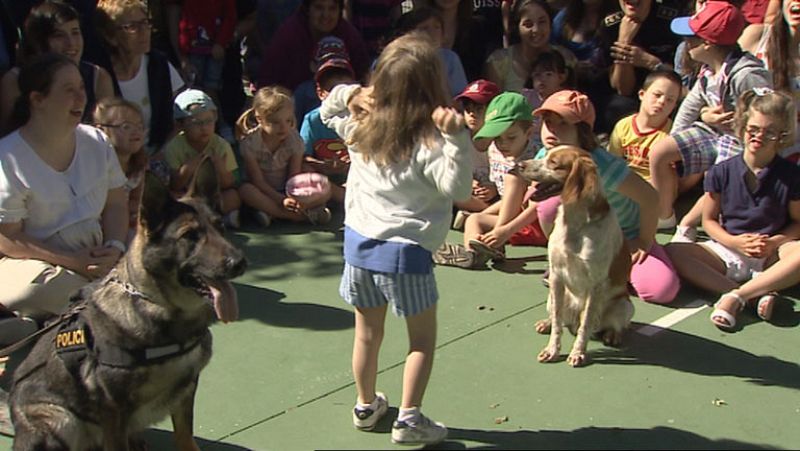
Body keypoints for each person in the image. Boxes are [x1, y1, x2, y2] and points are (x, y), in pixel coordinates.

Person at [319, 32, 473, 446]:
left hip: (358, 248)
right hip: (406, 256)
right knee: (421, 341)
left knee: (366, 334)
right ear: (433, 85)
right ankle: (409, 419)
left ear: (379, 81)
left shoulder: (360, 125)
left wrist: (351, 94)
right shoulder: (431, 141)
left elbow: (327, 107)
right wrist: (458, 140)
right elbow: (458, 189)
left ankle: (365, 405)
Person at [487, 90, 680, 303]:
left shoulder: (603, 165)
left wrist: (644, 241)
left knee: (662, 290)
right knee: (548, 205)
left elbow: (650, 198)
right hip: (584, 238)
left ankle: (614, 272)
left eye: (563, 123)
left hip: (624, 237)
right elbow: (537, 203)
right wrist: (505, 230)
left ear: (582, 129)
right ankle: (566, 263)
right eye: (548, 122)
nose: (552, 130)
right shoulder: (545, 156)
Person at [0, 53, 128, 345]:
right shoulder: (7, 157)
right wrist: (73, 261)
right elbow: (8, 239)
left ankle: (47, 322)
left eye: (82, 88)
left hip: (98, 255)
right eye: (68, 90)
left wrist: (115, 246)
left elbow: (116, 204)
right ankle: (103, 309)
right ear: (37, 99)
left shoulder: (97, 141)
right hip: (39, 264)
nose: (80, 97)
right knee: (31, 289)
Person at [665, 89, 800, 330]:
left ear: (782, 136)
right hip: (728, 248)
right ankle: (750, 295)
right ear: (743, 126)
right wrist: (734, 242)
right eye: (753, 129)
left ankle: (737, 297)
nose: (758, 137)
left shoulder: (792, 175)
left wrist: (773, 242)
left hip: (771, 254)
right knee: (674, 251)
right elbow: (708, 220)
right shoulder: (721, 171)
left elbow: (798, 223)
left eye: (769, 132)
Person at [649, 1, 773, 232]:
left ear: (707, 43)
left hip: (742, 141)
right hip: (713, 132)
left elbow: (765, 115)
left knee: (718, 175)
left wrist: (732, 121)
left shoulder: (746, 74)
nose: (685, 42)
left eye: (691, 37)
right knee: (659, 151)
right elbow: (691, 106)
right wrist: (681, 135)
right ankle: (664, 216)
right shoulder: (708, 69)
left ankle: (690, 224)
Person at [434, 92, 541, 268]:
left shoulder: (537, 157)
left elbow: (536, 206)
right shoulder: (494, 151)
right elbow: (508, 200)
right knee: (474, 220)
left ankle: (496, 243)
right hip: (510, 221)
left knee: (514, 178)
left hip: (531, 222)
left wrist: (502, 231)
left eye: (511, 137)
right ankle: (473, 254)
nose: (503, 144)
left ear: (528, 132)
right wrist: (486, 213)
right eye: (497, 137)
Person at [0, 1, 114, 132]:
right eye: (59, 35)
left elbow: (107, 133)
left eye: (75, 33)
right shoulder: (15, 81)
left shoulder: (98, 78)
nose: (71, 43)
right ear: (38, 42)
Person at [95, 0, 185, 152]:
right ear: (111, 37)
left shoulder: (159, 64)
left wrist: (158, 156)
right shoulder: (101, 74)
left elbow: (181, 118)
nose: (143, 31)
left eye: (145, 23)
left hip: (159, 153)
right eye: (132, 27)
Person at [238, 86, 332, 226]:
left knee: (321, 184)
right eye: (275, 122)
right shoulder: (250, 143)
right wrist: (281, 200)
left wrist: (295, 198)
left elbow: (294, 177)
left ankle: (278, 212)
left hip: (287, 188)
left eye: (288, 121)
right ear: (259, 119)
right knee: (245, 190)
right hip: (263, 191)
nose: (283, 127)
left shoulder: (294, 140)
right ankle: (294, 216)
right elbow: (258, 181)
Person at [599, 0, 686, 132]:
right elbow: (624, 89)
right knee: (617, 106)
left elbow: (682, 78)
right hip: (635, 96)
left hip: (667, 95)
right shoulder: (611, 25)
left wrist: (649, 61)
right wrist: (624, 41)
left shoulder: (670, 20)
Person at [164, 89, 242, 228]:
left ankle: (203, 218)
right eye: (196, 123)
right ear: (181, 124)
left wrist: (220, 167)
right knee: (172, 198)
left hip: (213, 195)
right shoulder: (174, 147)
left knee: (233, 197)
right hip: (186, 195)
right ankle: (209, 219)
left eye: (209, 121)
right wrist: (187, 169)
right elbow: (174, 185)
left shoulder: (221, 145)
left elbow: (230, 183)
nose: (204, 127)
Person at [257, 0, 369, 91]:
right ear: (308, 9)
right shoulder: (288, 36)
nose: (325, 15)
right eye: (319, 8)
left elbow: (363, 76)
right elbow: (267, 82)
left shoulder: (349, 36)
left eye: (332, 8)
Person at [483, 0, 575, 93]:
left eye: (542, 22)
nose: (536, 30)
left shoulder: (567, 59)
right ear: (517, 27)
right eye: (528, 24)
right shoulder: (499, 62)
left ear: (550, 24)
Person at [300, 53, 356, 204]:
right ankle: (340, 196)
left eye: (346, 89)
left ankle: (341, 196)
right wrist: (323, 166)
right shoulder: (312, 119)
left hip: (353, 174)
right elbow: (303, 155)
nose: (340, 96)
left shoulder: (361, 118)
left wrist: (353, 160)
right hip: (323, 175)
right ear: (320, 93)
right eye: (333, 90)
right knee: (304, 169)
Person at [607, 69, 682, 182]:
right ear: (642, 94)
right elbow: (613, 163)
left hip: (655, 186)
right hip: (624, 183)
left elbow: (671, 177)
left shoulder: (673, 134)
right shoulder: (623, 126)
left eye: (670, 100)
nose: (662, 101)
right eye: (657, 95)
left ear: (674, 106)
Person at [94, 97, 147, 242]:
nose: (136, 131)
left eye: (140, 126)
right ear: (102, 130)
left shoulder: (139, 165)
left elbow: (137, 198)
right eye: (126, 127)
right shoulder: (96, 165)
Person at [451, 79, 501, 228]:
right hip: (471, 196)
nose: (472, 114)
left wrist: (494, 189)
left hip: (499, 197)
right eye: (468, 109)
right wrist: (470, 182)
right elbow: (454, 171)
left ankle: (480, 216)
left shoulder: (503, 141)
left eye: (479, 109)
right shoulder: (460, 139)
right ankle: (486, 215)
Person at [395, 6, 467, 97]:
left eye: (437, 27)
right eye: (424, 28)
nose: (432, 33)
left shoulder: (450, 59)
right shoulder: (398, 59)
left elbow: (460, 94)